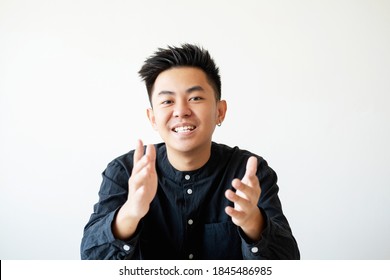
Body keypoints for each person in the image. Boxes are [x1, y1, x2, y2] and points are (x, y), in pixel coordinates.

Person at [80, 44, 300, 260]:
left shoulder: (249, 174)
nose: (181, 111)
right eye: (167, 101)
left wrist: (253, 222)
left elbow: (288, 264)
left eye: (195, 98)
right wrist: (130, 213)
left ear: (220, 111)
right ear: (153, 118)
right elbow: (91, 260)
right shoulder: (125, 172)